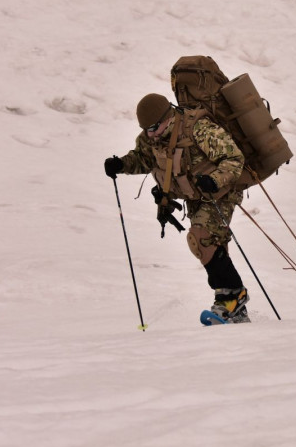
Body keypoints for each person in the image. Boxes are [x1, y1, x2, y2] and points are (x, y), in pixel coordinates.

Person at [104, 93, 251, 323]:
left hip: (219, 193)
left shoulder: (198, 128)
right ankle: (234, 309)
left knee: (200, 239)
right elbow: (143, 158)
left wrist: (214, 180)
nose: (150, 134)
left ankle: (232, 296)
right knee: (211, 246)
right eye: (146, 130)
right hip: (194, 196)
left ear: (167, 117)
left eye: (154, 128)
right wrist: (121, 164)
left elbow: (233, 159)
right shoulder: (150, 137)